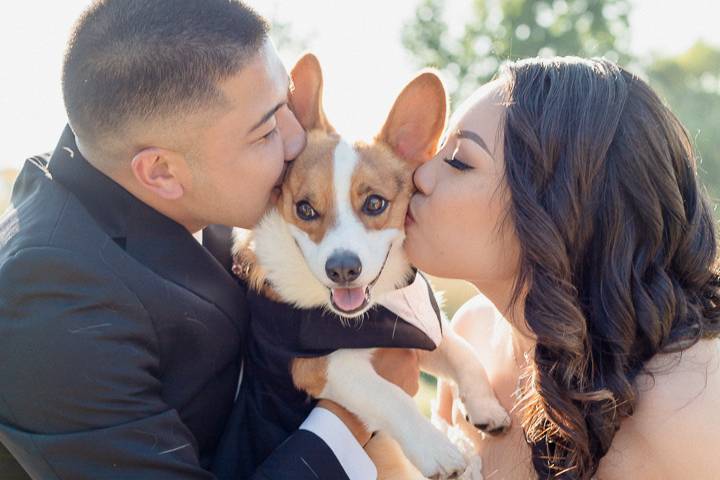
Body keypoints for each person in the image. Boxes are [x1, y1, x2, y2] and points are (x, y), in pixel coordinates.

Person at [0, 1, 422, 478]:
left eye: (285, 104)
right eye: (265, 130)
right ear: (161, 171)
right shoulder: (49, 301)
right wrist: (351, 421)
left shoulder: (203, 191)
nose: (295, 140)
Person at [404, 56, 720, 479]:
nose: (417, 175)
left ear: (560, 207)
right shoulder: (470, 337)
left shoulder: (686, 411)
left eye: (459, 160)